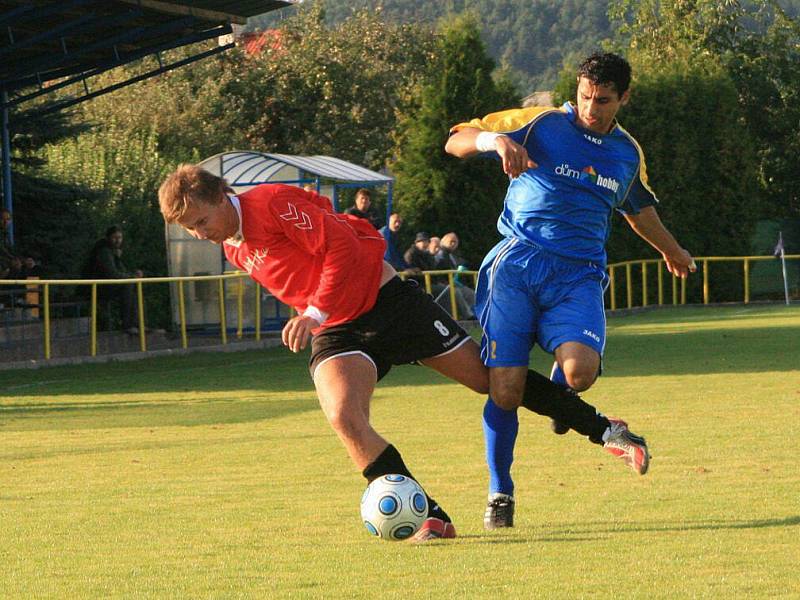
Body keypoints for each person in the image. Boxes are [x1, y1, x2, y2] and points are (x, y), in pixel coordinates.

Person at [158, 164, 646, 540]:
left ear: (222, 196)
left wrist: (313, 311)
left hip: (389, 305)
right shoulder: (234, 246)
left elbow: (340, 249)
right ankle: (427, 515)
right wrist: (319, 312)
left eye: (202, 221)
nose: (201, 234)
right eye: (191, 229)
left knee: (497, 383)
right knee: (344, 417)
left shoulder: (271, 203)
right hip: (340, 328)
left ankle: (607, 429)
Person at [446, 52, 697, 529]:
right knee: (506, 388)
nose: (590, 108)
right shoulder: (539, 123)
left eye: (603, 100)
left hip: (578, 274)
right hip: (516, 265)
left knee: (581, 373)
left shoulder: (626, 153)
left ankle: (564, 400)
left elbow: (637, 210)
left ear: (624, 97)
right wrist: (494, 139)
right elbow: (455, 140)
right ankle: (501, 491)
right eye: (584, 96)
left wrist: (673, 249)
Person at [81, 225, 143, 333]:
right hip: (97, 287)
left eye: (120, 238)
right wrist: (132, 277)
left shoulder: (112, 251)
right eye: (115, 238)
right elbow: (112, 274)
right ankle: (128, 324)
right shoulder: (104, 252)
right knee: (128, 286)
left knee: (134, 286)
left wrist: (132, 275)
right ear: (108, 238)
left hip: (104, 285)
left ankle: (136, 323)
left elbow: (120, 272)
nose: (117, 241)